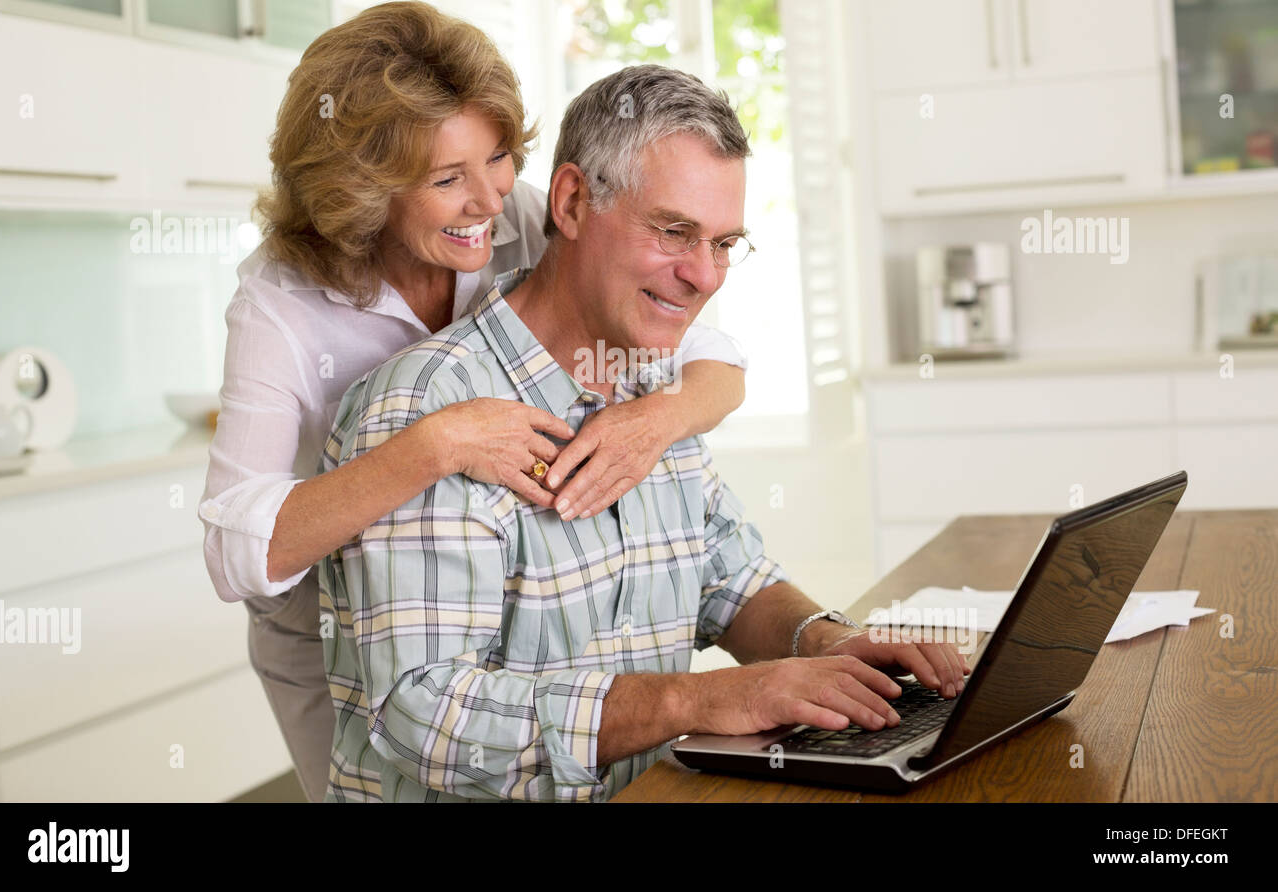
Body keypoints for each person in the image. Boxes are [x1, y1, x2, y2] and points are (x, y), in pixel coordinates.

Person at [317, 64, 969, 802]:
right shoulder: (429, 408)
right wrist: (701, 701)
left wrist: (831, 643)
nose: (705, 276)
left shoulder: (655, 384)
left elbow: (726, 578)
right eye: (673, 232)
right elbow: (425, 716)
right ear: (570, 201)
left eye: (724, 242)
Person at [197, 3, 749, 803]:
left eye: (497, 157)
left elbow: (713, 361)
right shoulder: (281, 305)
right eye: (447, 179)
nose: (488, 199)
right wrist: (433, 445)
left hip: (496, 590)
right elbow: (235, 553)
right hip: (332, 625)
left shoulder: (521, 212)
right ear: (365, 189)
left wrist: (650, 422)